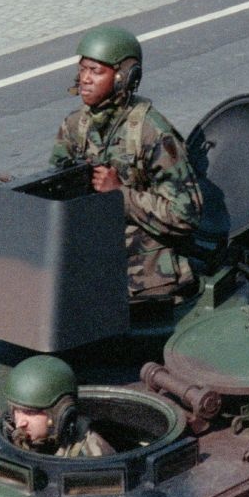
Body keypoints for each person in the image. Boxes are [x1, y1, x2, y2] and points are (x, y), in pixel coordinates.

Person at [51, 26, 204, 302]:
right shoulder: (75, 126)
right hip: (96, 260)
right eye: (82, 69)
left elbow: (186, 215)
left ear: (124, 77)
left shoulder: (152, 133)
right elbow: (57, 189)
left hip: (145, 276)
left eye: (96, 71)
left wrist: (121, 195)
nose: (85, 79)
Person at [3, 356, 114, 458]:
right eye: (17, 411)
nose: (21, 423)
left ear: (60, 415)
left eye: (30, 413)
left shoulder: (92, 455)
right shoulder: (8, 438)